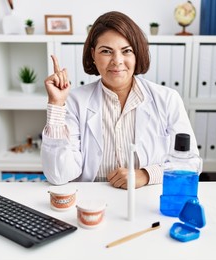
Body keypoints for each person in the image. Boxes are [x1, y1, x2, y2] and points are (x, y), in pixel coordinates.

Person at [41, 11, 199, 188]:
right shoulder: (75, 101)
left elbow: (191, 163)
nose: (117, 61)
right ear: (93, 55)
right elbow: (58, 175)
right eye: (106, 51)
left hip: (147, 199)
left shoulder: (167, 99)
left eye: (126, 51)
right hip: (92, 202)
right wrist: (56, 105)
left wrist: (146, 175)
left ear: (136, 54)